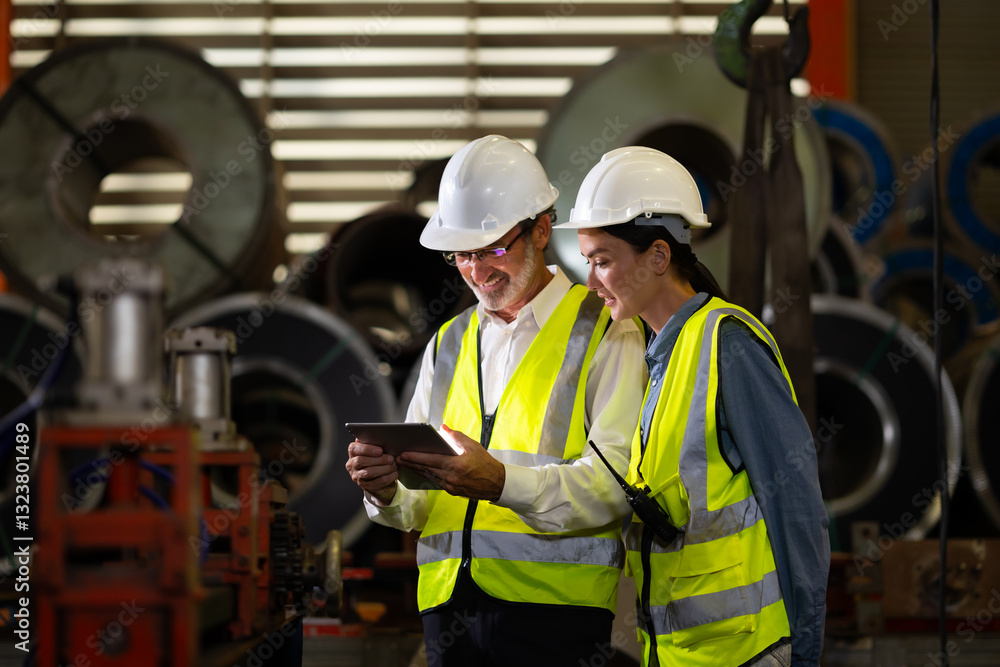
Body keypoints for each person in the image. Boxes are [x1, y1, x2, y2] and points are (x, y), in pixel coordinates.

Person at [345, 135, 649, 666]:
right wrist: (386, 492)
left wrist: (502, 483)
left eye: (492, 250)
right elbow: (418, 504)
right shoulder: (446, 344)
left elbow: (616, 485)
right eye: (461, 254)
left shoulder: (609, 332)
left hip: (555, 617)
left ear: (541, 229)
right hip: (446, 613)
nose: (476, 271)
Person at [555, 146, 830, 667]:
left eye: (602, 262)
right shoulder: (658, 356)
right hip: (682, 653)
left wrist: (807, 653)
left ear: (658, 257)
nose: (591, 283)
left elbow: (795, 509)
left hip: (747, 652)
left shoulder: (730, 346)